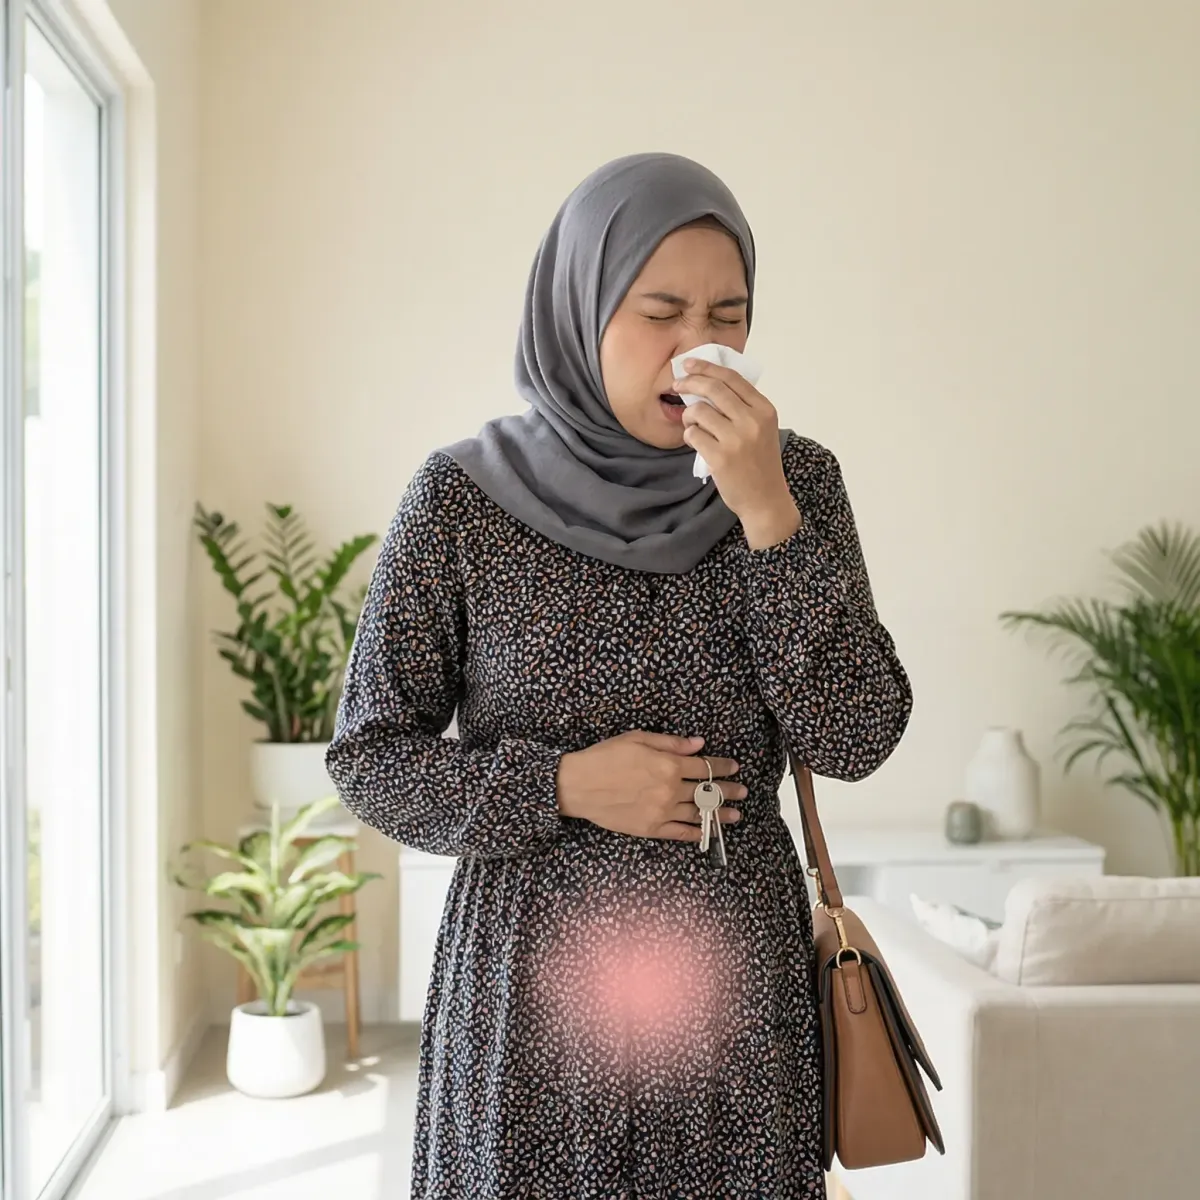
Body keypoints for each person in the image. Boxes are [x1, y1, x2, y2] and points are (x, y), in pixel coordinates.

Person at [326, 152, 912, 1199]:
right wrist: (559, 785)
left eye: (727, 315)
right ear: (580, 310)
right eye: (660, 312)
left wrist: (769, 518)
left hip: (738, 1013)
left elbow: (858, 736)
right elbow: (369, 758)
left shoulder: (795, 482)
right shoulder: (460, 499)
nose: (697, 348)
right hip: (528, 1007)